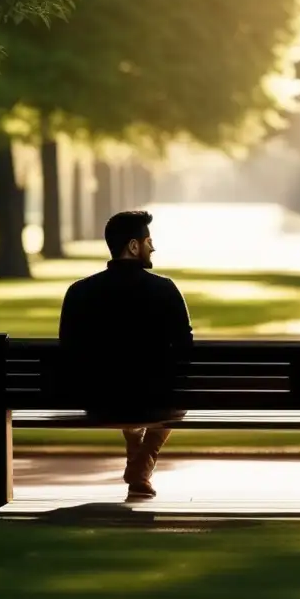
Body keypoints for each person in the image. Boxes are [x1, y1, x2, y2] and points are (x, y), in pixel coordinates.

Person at [58, 210, 193, 498]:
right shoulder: (165, 290)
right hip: (153, 402)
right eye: (148, 241)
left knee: (125, 385)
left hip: (97, 402)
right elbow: (186, 348)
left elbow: (67, 350)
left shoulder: (78, 292)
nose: (153, 247)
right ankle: (143, 461)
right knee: (175, 398)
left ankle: (136, 446)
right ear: (134, 246)